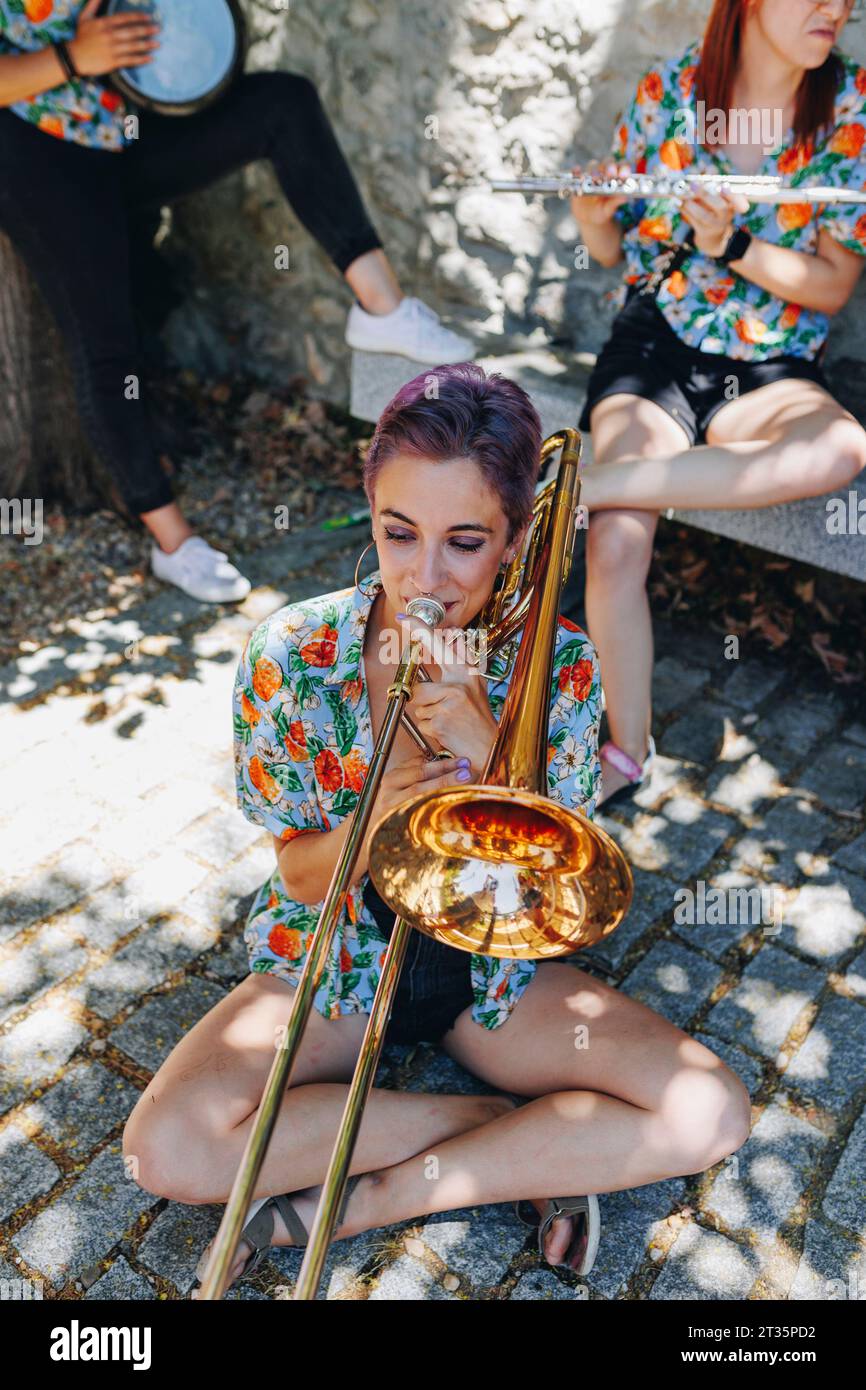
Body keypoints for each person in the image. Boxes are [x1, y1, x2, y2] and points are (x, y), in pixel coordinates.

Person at [122, 363, 751, 1293]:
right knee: (166, 1152)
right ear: (369, 508)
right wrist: (372, 821)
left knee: (711, 1115)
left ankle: (370, 1198)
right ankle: (512, 1135)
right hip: (335, 958)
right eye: (397, 533)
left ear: (517, 537)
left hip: (491, 975)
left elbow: (552, 895)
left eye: (465, 541)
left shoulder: (565, 671)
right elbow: (297, 877)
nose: (425, 576)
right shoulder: (292, 656)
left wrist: (496, 748)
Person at [0, 0, 471, 604]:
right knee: (104, 344)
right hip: (38, 153)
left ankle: (382, 309)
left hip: (126, 124)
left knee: (283, 104)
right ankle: (173, 545)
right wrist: (73, 56)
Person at [571, 0, 866, 807]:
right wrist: (590, 217)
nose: (834, 9)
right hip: (655, 342)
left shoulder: (851, 109)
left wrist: (731, 244)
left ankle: (581, 485)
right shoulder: (670, 91)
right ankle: (625, 751)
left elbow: (834, 285)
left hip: (769, 361)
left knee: (841, 450)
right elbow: (612, 251)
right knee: (617, 548)